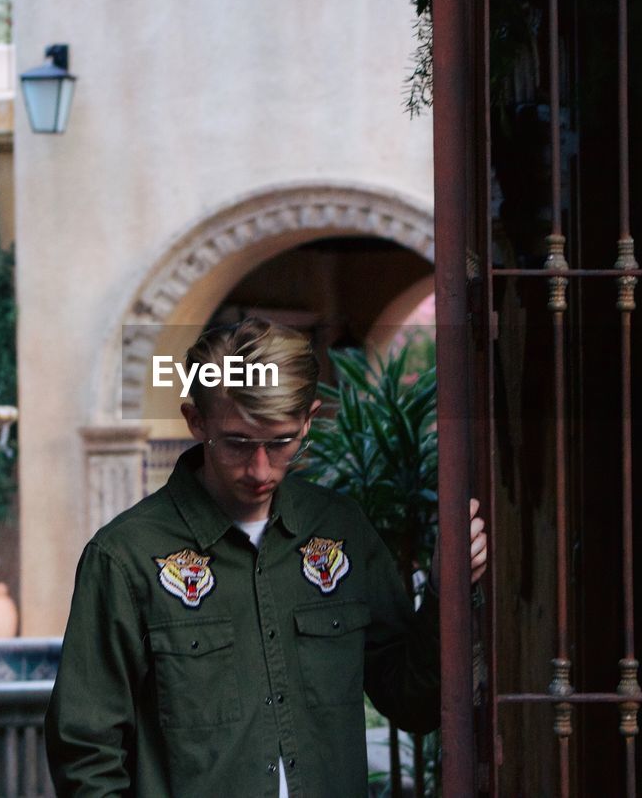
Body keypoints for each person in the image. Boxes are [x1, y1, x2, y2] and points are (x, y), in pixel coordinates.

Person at [45, 317, 488, 797]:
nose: (260, 469)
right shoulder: (125, 557)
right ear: (196, 420)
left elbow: (412, 702)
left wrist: (446, 593)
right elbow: (85, 752)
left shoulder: (341, 531)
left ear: (309, 419)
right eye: (237, 443)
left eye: (281, 443)